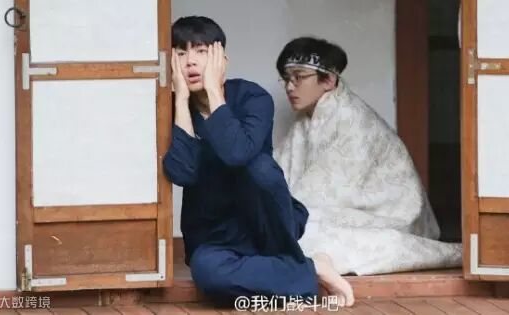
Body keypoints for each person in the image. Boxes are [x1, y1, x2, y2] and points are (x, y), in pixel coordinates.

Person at [162, 17, 354, 306]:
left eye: (201, 52)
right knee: (208, 273)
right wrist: (179, 102)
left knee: (259, 167)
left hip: (265, 222)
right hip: (214, 235)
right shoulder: (170, 110)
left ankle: (285, 265)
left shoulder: (253, 97)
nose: (190, 61)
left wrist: (213, 92)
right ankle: (311, 268)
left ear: (222, 61)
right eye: (180, 53)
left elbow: (237, 153)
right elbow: (183, 173)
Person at [274, 37, 462, 275]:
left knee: (301, 233)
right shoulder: (305, 119)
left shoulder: (351, 119)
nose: (290, 87)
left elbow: (327, 195)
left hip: (390, 217)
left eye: (299, 77)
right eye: (287, 79)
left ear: (329, 80)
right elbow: (279, 171)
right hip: (337, 209)